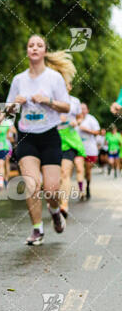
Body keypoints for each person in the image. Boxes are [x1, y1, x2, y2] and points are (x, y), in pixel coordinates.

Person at [4, 34, 72, 246]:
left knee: (51, 190)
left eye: (39, 45)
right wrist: (14, 104)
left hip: (50, 136)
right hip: (27, 137)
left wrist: (48, 101)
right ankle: (37, 229)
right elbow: (6, 114)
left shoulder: (54, 78)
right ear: (27, 51)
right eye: (31, 45)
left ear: (44, 51)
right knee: (32, 185)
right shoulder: (18, 80)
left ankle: (53, 211)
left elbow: (67, 107)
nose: (34, 48)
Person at [58, 85, 86, 217]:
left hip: (69, 140)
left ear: (70, 86)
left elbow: (80, 117)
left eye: (67, 83)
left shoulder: (75, 101)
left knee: (65, 172)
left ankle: (64, 205)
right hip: (52, 140)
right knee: (54, 177)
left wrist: (77, 122)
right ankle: (56, 203)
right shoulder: (51, 99)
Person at [78, 103, 100, 199]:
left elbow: (97, 132)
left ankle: (87, 187)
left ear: (87, 110)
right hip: (78, 149)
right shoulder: (75, 119)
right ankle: (81, 190)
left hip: (90, 149)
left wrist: (87, 130)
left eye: (84, 108)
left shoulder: (91, 119)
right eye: (80, 108)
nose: (82, 110)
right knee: (79, 169)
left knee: (87, 171)